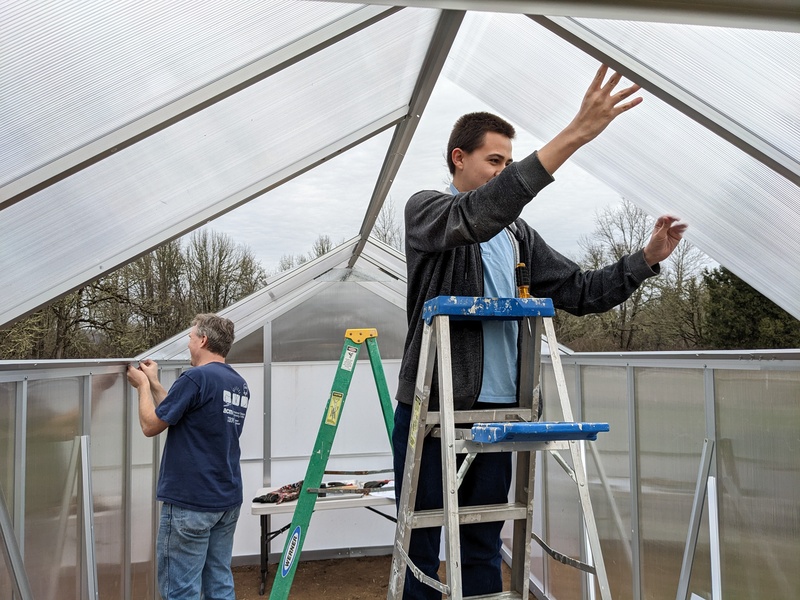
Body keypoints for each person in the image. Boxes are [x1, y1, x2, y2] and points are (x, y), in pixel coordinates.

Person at [392, 65, 688, 599]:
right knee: (422, 543)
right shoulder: (428, 212)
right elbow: (479, 214)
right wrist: (575, 134)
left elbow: (579, 290)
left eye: (509, 161)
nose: (504, 171)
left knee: (483, 543)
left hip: (502, 413)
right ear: (459, 159)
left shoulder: (518, 236)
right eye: (495, 161)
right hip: (436, 409)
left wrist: (644, 260)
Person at [127, 313, 250, 600]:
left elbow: (150, 425)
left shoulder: (194, 377)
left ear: (204, 340)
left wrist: (143, 387)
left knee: (180, 589)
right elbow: (184, 411)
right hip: (226, 500)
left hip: (191, 501)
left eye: (191, 337)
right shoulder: (238, 383)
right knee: (218, 581)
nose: (188, 343)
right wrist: (156, 383)